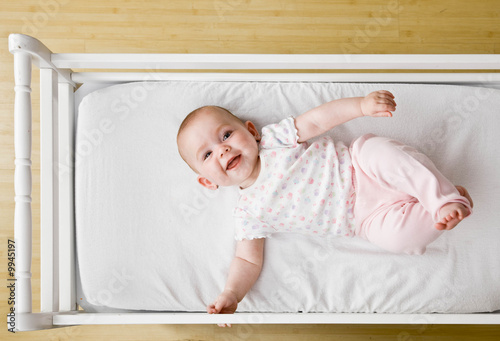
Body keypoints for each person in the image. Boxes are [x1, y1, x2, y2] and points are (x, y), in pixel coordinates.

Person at [176, 90, 473, 326]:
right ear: (207, 182)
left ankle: (441, 196)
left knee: (384, 154)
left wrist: (361, 105)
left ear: (251, 130)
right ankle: (440, 207)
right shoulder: (248, 214)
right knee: (398, 239)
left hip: (361, 167)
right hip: (364, 219)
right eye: (207, 154)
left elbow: (317, 120)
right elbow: (247, 262)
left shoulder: (274, 140)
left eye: (226, 135)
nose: (223, 149)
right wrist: (232, 294)